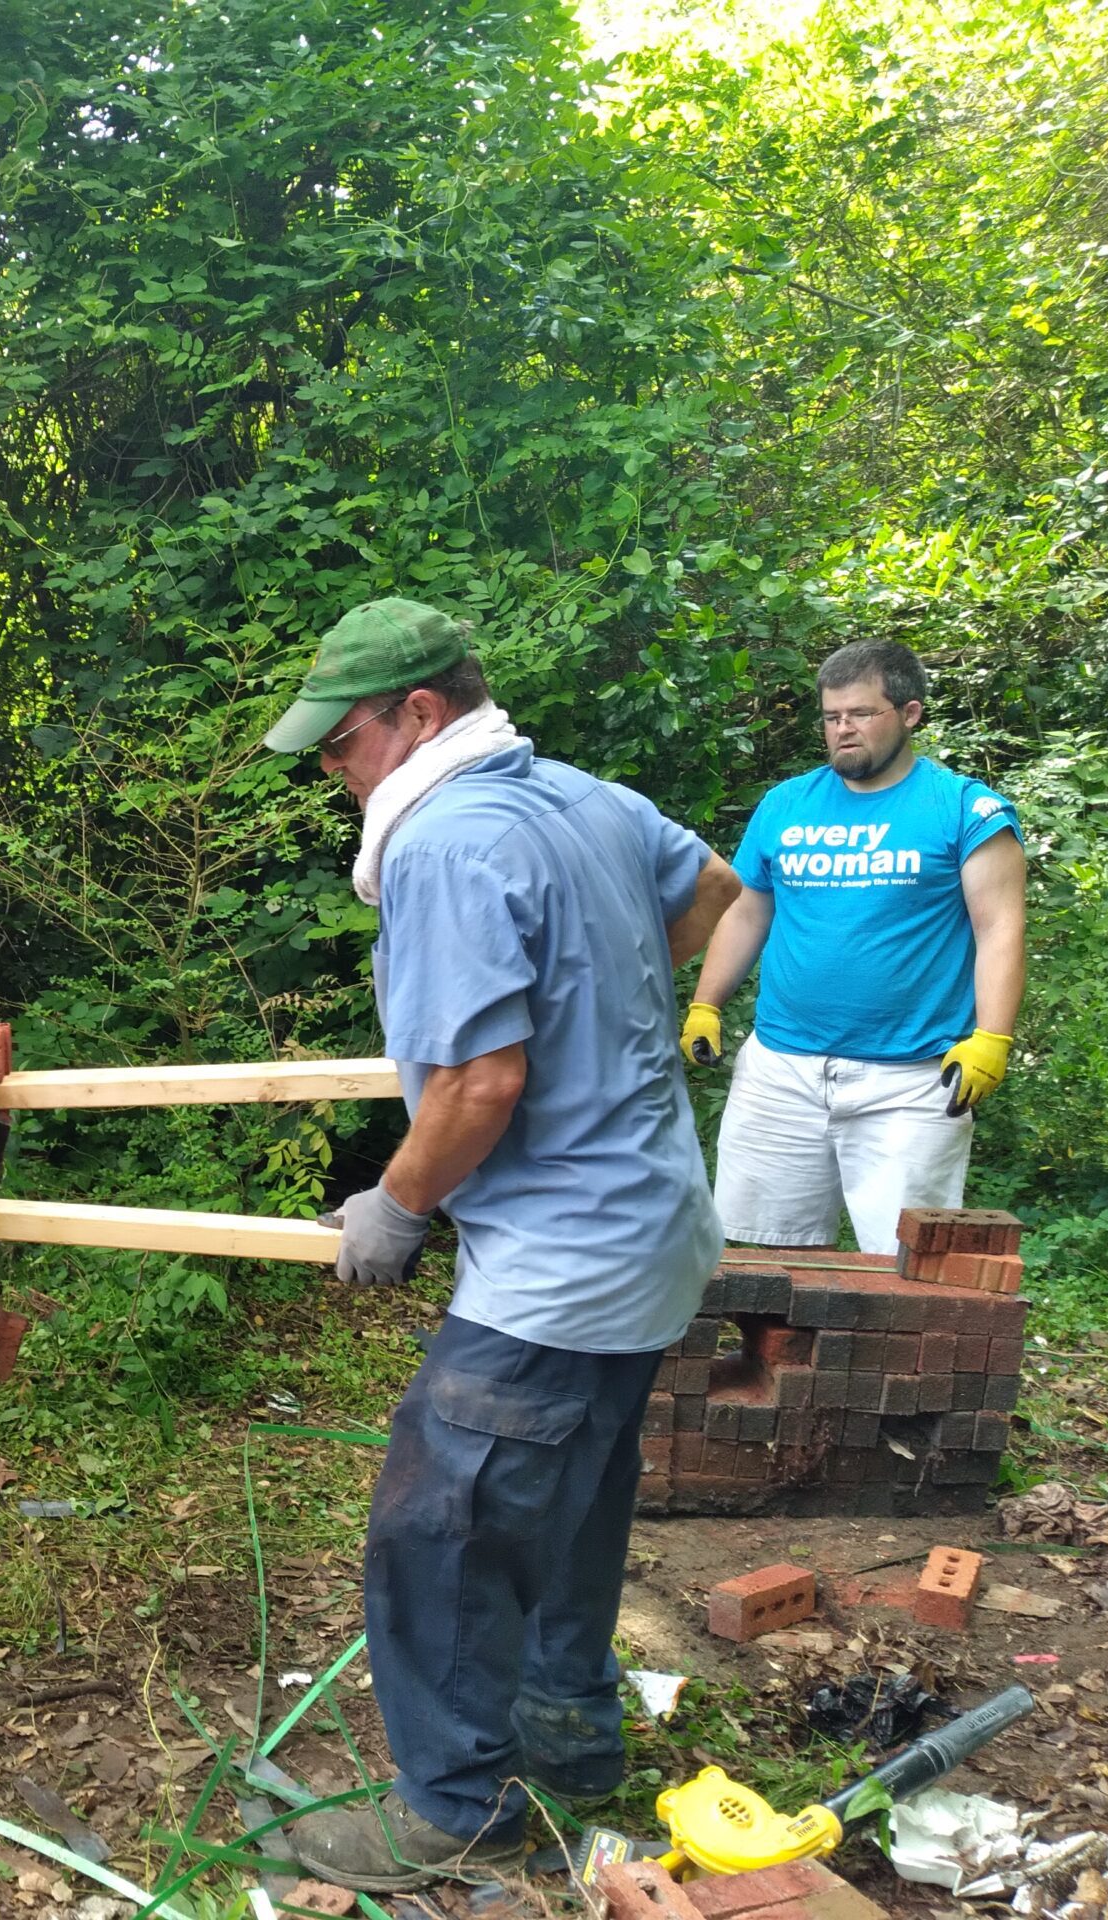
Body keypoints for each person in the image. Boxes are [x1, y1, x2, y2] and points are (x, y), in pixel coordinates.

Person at [257, 599, 739, 1891]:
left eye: (341, 743)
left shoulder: (451, 844)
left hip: (561, 1262)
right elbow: (715, 890)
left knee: (444, 1531)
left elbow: (478, 1084)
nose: (330, 772)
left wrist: (398, 1209)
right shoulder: (587, 800)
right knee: (573, 1507)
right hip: (653, 1235)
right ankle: (573, 1751)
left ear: (420, 714)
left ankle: (460, 1809)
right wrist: (624, 1006)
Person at [681, 640, 1025, 1255]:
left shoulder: (966, 809)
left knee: (907, 1266)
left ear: (910, 713)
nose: (843, 730)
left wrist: (992, 1038)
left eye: (862, 714)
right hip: (780, 1072)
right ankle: (772, 1358)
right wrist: (705, 1003)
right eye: (832, 716)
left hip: (913, 1079)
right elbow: (748, 910)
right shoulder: (786, 804)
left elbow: (999, 927)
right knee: (759, 1257)